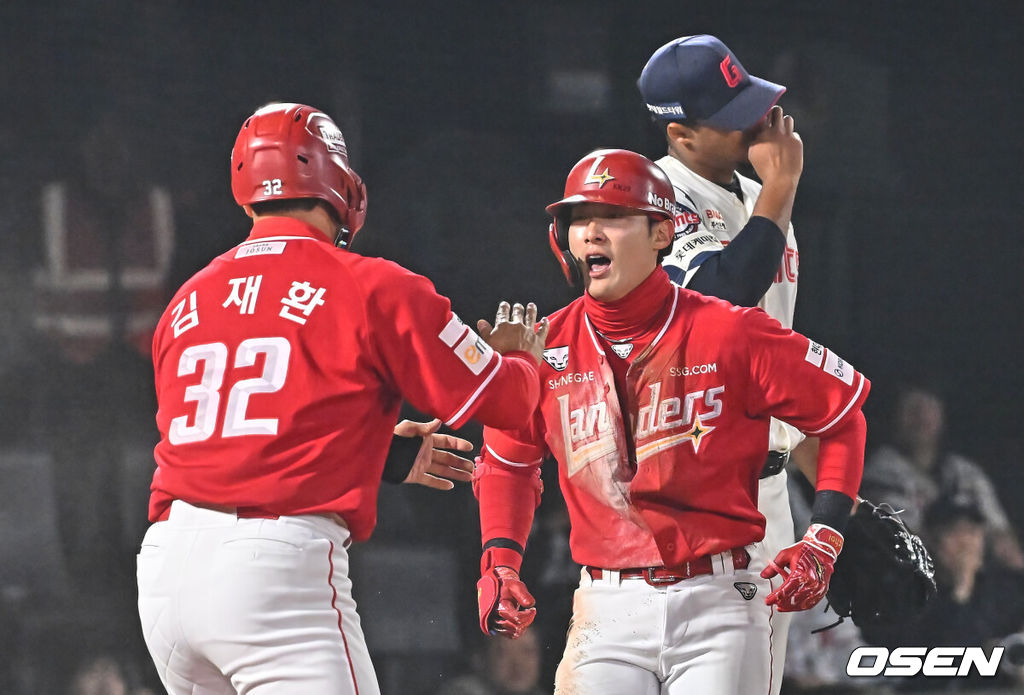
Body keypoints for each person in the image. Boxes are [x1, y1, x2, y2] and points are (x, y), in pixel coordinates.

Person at [136, 102, 548, 695]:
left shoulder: (186, 302)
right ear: (341, 187)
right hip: (274, 569)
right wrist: (523, 359)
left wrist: (383, 456)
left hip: (167, 572)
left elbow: (238, 439)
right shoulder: (373, 285)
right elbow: (506, 403)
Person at [474, 148, 870, 693]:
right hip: (604, 608)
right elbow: (507, 461)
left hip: (722, 603)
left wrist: (824, 536)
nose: (592, 232)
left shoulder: (732, 331)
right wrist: (499, 562)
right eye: (578, 219)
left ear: (662, 233)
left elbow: (842, 411)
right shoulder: (544, 347)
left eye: (613, 216)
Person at [637, 35, 811, 694]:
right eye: (734, 116)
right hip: (694, 487)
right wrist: (784, 184)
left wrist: (831, 505)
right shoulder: (651, 198)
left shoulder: (755, 191)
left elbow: (776, 358)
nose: (759, 123)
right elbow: (718, 297)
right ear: (680, 133)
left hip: (766, 488)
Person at [860, 383, 1024, 568]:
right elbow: (904, 539)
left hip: (978, 579)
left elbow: (1000, 532)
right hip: (912, 579)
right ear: (896, 417)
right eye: (912, 408)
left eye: (929, 408)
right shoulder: (880, 471)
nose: (921, 418)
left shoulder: (964, 471)